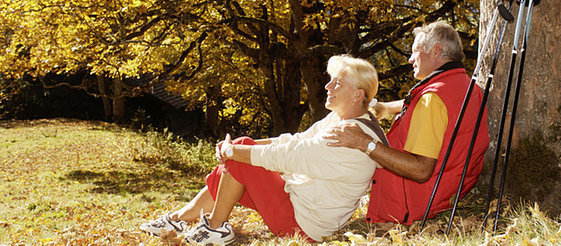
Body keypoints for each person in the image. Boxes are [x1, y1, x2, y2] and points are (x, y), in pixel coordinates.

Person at [140, 55, 388, 245]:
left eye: (337, 83)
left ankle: (216, 229)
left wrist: (234, 152)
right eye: (330, 80)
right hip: (295, 200)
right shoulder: (339, 119)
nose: (327, 86)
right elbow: (294, 140)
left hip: (303, 225)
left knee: (239, 159)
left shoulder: (349, 136)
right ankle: (178, 218)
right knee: (238, 155)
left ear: (357, 95)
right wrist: (237, 146)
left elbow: (289, 156)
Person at [324, 21, 489, 225]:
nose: (410, 59)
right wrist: (385, 108)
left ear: (436, 51)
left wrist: (364, 142)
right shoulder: (466, 86)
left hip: (409, 206)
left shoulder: (432, 100)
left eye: (415, 52)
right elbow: (432, 108)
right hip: (447, 193)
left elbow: (420, 170)